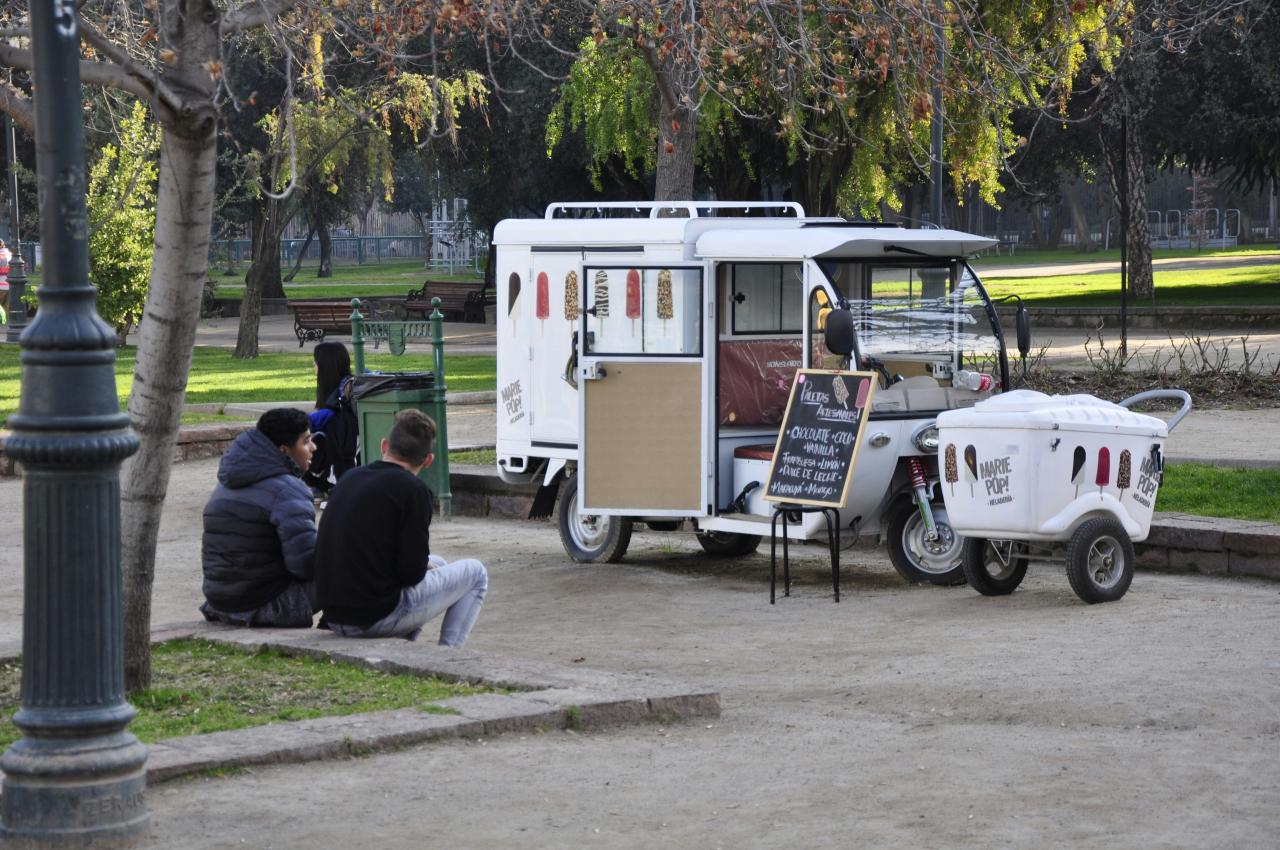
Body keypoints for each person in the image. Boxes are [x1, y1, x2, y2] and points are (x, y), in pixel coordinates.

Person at [314, 409, 487, 645]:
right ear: (428, 460)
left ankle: (406, 647)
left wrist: (426, 564)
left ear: (384, 446)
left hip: (335, 614)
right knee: (476, 572)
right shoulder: (413, 491)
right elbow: (411, 573)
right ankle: (448, 655)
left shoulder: (350, 478)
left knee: (440, 563)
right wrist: (423, 565)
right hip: (372, 618)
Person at [200, 408, 319, 627]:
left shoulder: (226, 484)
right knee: (350, 564)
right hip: (264, 605)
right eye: (306, 441)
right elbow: (305, 565)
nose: (313, 448)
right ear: (284, 450)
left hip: (220, 601)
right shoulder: (288, 490)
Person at [306, 341, 357, 493]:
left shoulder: (344, 392)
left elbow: (327, 416)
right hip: (342, 443)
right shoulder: (340, 389)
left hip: (346, 446)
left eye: (315, 363)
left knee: (315, 440)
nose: (314, 367)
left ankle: (325, 484)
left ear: (324, 366)